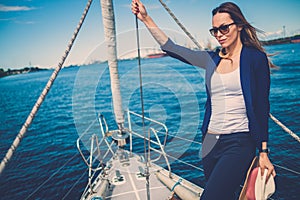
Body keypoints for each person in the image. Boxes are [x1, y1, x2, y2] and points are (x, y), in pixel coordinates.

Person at [132, 0, 276, 199]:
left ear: (239, 26)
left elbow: (261, 107)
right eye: (214, 30)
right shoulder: (211, 59)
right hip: (210, 142)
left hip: (239, 141)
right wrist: (146, 18)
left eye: (224, 28)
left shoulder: (255, 58)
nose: (219, 34)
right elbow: (172, 48)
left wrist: (263, 151)